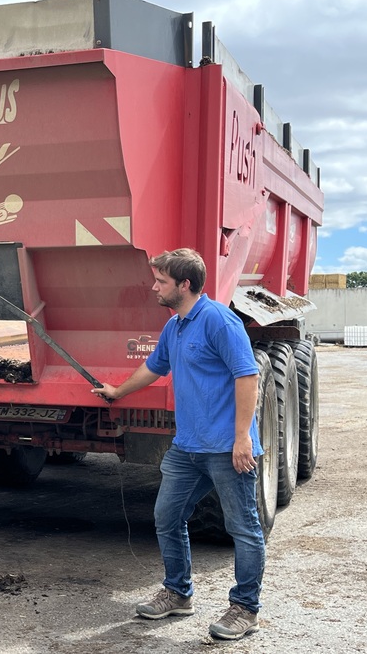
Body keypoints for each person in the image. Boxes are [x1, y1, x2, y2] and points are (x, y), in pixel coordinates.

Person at [90, 248, 265, 641]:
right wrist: (118, 391)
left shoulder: (220, 321)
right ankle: (178, 592)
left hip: (225, 448)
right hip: (187, 448)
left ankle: (245, 609)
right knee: (167, 516)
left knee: (243, 527)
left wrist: (242, 439)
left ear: (184, 285)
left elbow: (247, 376)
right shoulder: (175, 326)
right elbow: (154, 367)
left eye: (161, 281)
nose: (154, 287)